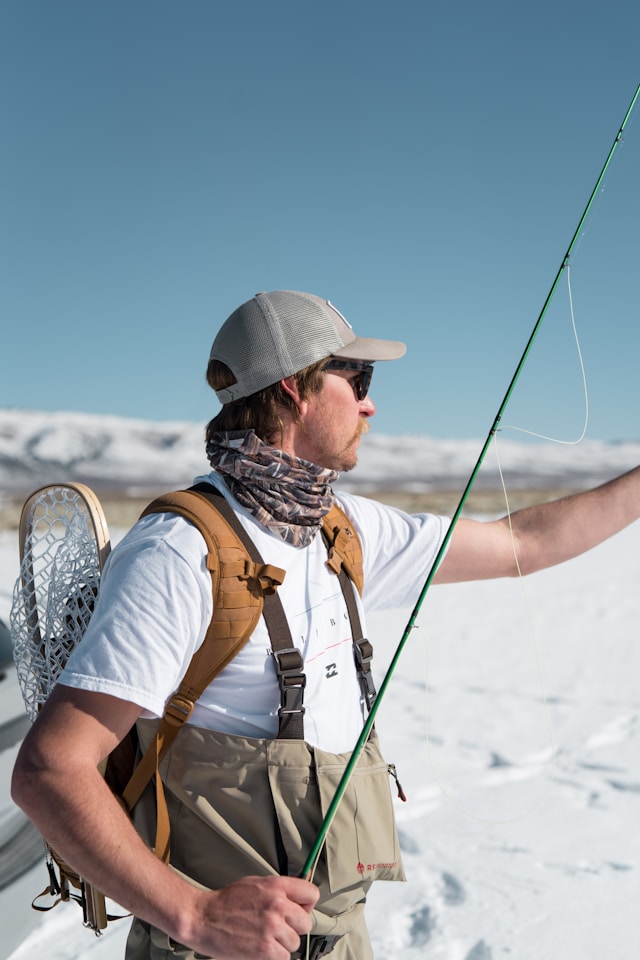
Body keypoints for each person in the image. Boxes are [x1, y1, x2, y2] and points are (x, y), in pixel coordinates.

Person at [11, 290, 640, 960]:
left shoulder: (343, 529)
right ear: (293, 389)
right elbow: (50, 769)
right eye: (358, 379)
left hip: (335, 938)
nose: (371, 404)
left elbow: (522, 544)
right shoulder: (178, 552)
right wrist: (195, 914)